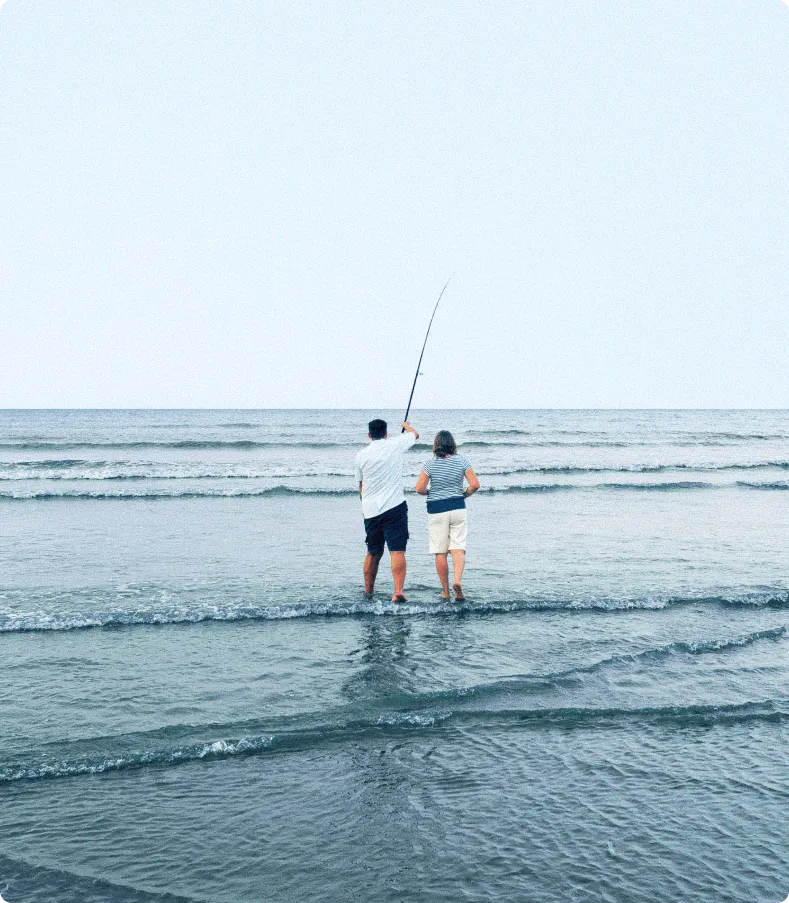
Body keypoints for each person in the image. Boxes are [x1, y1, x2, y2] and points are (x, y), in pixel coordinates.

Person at [355, 418, 420, 602]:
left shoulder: (361, 455)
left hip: (370, 510)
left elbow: (361, 486)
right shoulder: (395, 444)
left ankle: (368, 591)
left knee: (373, 551)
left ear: (369, 435)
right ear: (386, 433)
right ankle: (398, 591)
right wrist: (406, 425)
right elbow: (415, 435)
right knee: (397, 551)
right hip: (394, 506)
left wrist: (365, 506)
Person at [415, 430, 480, 600]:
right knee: (458, 548)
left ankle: (445, 591)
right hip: (457, 506)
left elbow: (419, 488)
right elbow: (475, 485)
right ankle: (457, 581)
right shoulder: (462, 461)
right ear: (453, 444)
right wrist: (463, 494)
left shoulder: (430, 464)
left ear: (436, 445)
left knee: (440, 551)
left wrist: (431, 492)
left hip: (436, 509)